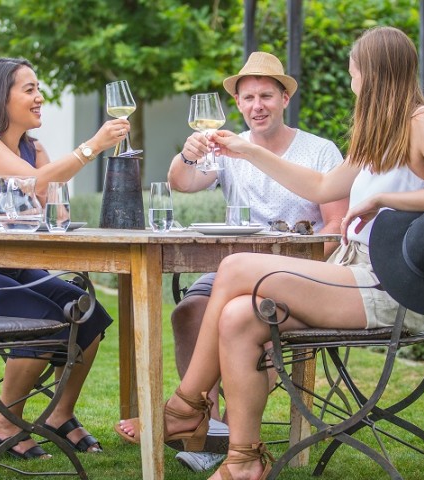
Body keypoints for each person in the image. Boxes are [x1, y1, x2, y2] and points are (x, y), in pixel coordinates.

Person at [116, 26, 424, 480]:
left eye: (353, 72)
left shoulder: (422, 121)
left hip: (389, 284)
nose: (352, 82)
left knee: (234, 267)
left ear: (372, 73)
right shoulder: (379, 133)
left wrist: (382, 202)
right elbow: (322, 186)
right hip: (353, 275)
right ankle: (244, 460)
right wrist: (246, 152)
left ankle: (184, 407)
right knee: (236, 317)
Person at [0, 57, 130, 458]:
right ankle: (2, 424)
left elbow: (52, 202)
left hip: (11, 269)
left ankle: (60, 415)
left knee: (87, 312)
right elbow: (34, 183)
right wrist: (93, 146)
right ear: (1, 97)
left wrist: (47, 200)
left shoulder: (31, 147)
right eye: (29, 89)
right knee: (43, 319)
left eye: (39, 89)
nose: (40, 98)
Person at [164, 51, 348, 472]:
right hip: (231, 269)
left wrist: (305, 271)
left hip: (294, 274)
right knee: (188, 312)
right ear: (239, 104)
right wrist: (189, 154)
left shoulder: (319, 152)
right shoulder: (228, 148)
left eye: (266, 95)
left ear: (285, 98)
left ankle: (230, 428)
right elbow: (182, 182)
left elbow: (336, 225)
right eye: (247, 98)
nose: (256, 106)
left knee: (251, 325)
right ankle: (203, 427)